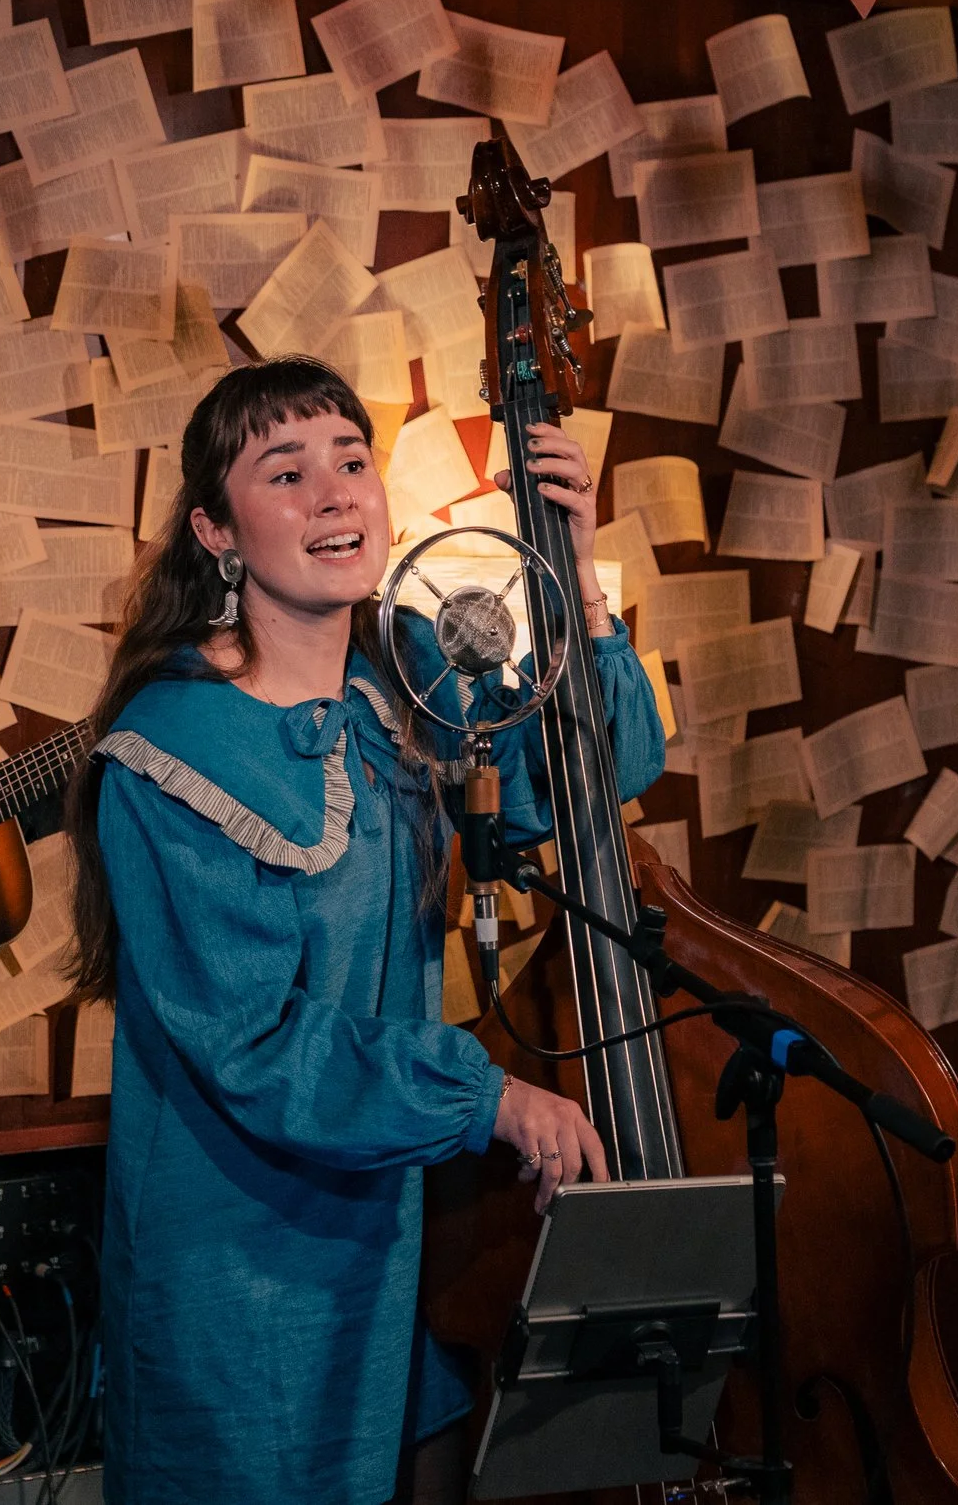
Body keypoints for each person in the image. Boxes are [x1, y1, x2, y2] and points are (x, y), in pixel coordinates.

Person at [63, 358, 665, 1504]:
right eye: (285, 473)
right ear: (216, 529)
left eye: (351, 461)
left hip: (402, 1224)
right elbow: (252, 1044)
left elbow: (597, 775)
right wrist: (486, 1097)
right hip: (244, 1254)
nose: (335, 493)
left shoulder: (412, 670)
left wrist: (575, 575)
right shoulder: (170, 745)